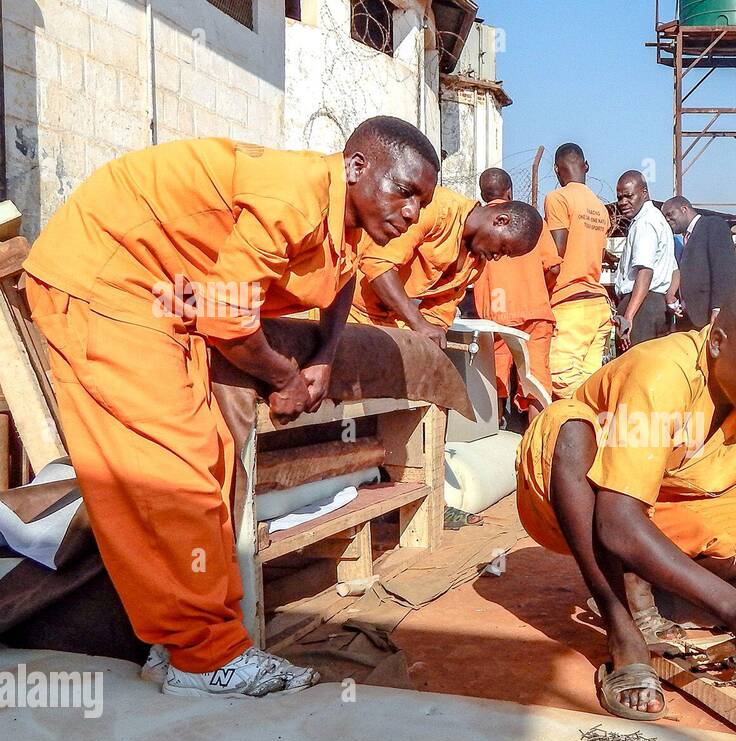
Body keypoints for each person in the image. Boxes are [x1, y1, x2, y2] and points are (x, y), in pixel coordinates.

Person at [23, 117, 441, 698]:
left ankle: (183, 643)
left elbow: (343, 283)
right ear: (356, 166)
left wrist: (324, 355)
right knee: (178, 474)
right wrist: (285, 377)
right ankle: (206, 658)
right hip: (106, 283)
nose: (413, 213)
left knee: (214, 459)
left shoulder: (343, 217)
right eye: (406, 191)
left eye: (423, 201)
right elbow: (226, 318)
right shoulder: (291, 197)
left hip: (166, 301)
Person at [515, 277, 736, 721]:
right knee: (568, 430)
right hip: (583, 499)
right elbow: (614, 520)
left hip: (659, 503)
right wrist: (732, 604)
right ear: (718, 342)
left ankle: (638, 571)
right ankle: (621, 626)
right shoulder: (661, 370)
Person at [350, 185, 542, 344]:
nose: (497, 257)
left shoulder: (475, 265)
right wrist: (418, 323)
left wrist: (429, 338)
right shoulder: (436, 207)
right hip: (345, 310)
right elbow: (378, 264)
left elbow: (439, 313)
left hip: (385, 325)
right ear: (501, 221)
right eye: (502, 248)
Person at [473, 168, 561, 421]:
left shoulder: (480, 223)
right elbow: (553, 266)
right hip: (534, 310)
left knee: (494, 378)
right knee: (536, 380)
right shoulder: (531, 221)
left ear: (482, 194)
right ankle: (536, 440)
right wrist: (539, 289)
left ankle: (491, 438)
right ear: (509, 192)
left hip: (494, 315)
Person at [544, 143, 613, 397]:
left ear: (556, 170)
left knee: (563, 385)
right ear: (586, 167)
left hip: (570, 304)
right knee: (589, 387)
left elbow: (556, 254)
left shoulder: (557, 198)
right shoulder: (600, 208)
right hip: (598, 306)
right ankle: (597, 433)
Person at [612, 170, 678, 352]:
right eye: (619, 197)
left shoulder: (645, 223)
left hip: (640, 308)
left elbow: (645, 271)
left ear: (644, 192)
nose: (623, 202)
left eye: (629, 196)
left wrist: (629, 317)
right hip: (656, 306)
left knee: (632, 372)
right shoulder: (659, 220)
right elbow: (674, 270)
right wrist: (669, 297)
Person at [662, 196, 736, 330]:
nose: (667, 219)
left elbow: (724, 269)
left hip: (712, 316)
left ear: (684, 209)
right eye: (665, 217)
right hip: (691, 318)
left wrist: (719, 308)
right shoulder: (685, 238)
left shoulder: (712, 225)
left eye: (670, 214)